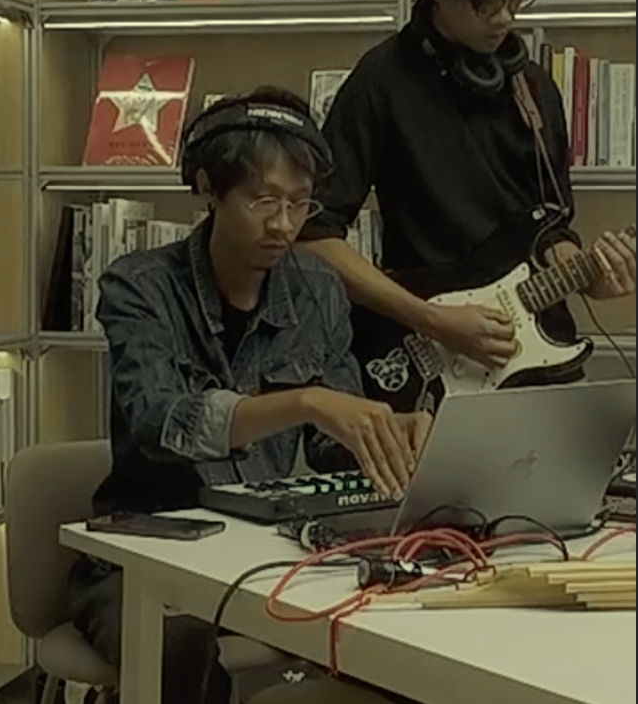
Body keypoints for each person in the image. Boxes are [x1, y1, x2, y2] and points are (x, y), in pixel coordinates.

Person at [68, 87, 431, 704]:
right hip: (144, 557)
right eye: (263, 200)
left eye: (299, 203)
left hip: (268, 551)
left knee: (399, 623)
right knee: (180, 644)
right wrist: (304, 401)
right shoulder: (140, 286)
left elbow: (330, 445)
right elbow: (158, 420)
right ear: (208, 188)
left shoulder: (317, 288)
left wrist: (390, 437)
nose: (284, 224)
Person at [299, 0, 637, 412]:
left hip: (541, 356)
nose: (506, 18)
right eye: (487, 1)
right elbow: (312, 235)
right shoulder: (381, 81)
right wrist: (431, 319)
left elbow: (550, 229)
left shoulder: (534, 88)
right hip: (433, 362)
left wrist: (591, 272)